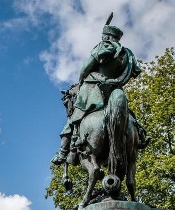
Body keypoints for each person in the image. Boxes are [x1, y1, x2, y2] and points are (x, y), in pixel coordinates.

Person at [52, 18, 149, 165]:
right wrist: (114, 82)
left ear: (106, 36)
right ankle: (140, 135)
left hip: (93, 91)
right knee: (129, 117)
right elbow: (132, 73)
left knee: (72, 121)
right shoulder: (128, 54)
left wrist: (82, 80)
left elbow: (85, 69)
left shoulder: (103, 47)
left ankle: (63, 152)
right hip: (114, 91)